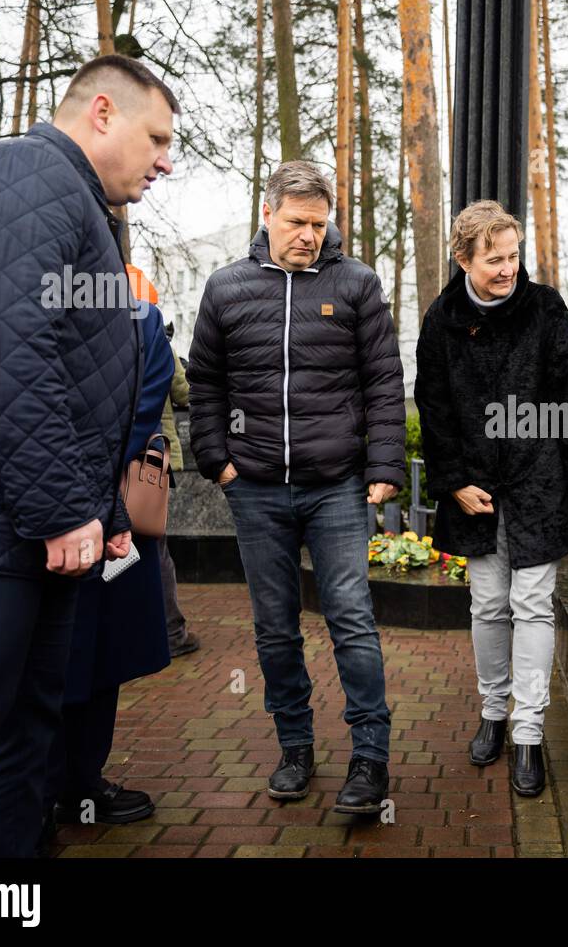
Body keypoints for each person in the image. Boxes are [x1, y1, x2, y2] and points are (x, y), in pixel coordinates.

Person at [0, 54, 177, 857]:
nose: (166, 159)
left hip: (23, 530)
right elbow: (14, 357)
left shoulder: (57, 195)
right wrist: (61, 511)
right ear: (102, 114)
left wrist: (103, 513)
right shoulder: (27, 175)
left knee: (24, 737)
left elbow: (79, 381)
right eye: (155, 137)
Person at [186, 160, 404, 813]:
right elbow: (205, 383)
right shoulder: (226, 289)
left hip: (336, 488)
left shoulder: (357, 285)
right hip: (254, 489)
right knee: (275, 629)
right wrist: (216, 461)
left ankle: (370, 758)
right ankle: (296, 747)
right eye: (296, 222)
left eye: (319, 223)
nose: (309, 234)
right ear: (267, 214)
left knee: (353, 623)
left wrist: (385, 467)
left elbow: (384, 382)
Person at [415, 200, 568, 797]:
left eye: (513, 255)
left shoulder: (545, 307)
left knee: (534, 603)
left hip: (539, 481)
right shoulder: (440, 319)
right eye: (494, 259)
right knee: (489, 604)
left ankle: (528, 732)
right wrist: (450, 481)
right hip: (473, 487)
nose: (507, 269)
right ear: (463, 258)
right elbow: (434, 406)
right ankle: (493, 715)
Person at [44, 265, 174, 844]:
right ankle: (46, 786)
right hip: (54, 518)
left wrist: (96, 513)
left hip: (107, 520)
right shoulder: (32, 313)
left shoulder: (143, 325)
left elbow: (134, 422)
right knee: (55, 652)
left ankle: (79, 782)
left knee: (101, 652)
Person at [158, 320, 198, 657]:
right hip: (152, 459)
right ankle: (171, 632)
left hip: (106, 458)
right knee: (155, 547)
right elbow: (183, 392)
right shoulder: (154, 336)